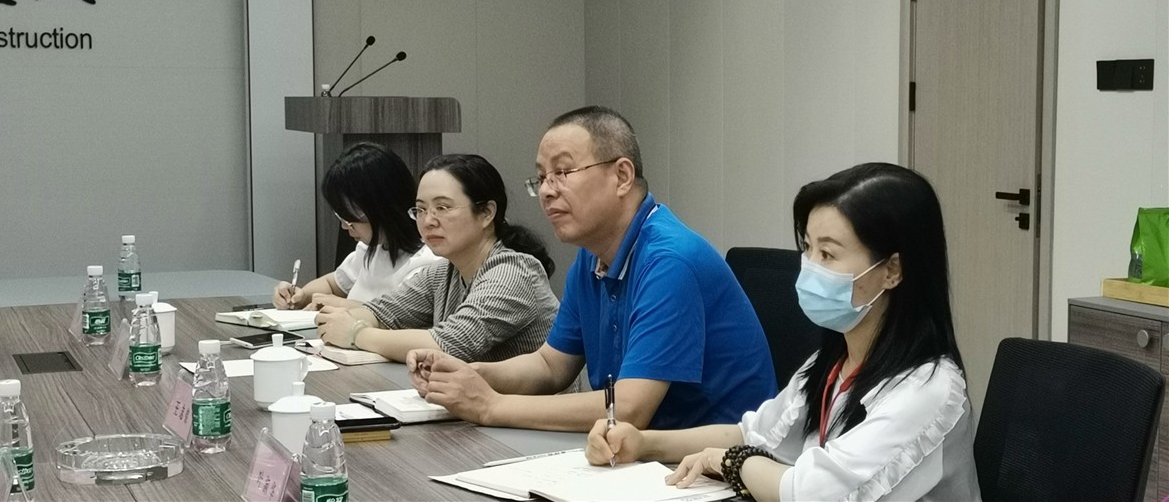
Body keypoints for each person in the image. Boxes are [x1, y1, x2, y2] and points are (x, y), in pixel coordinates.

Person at [585, 163, 979, 502]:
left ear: (891, 270)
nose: (809, 266)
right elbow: (752, 433)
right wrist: (643, 442)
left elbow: (813, 492)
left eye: (828, 254)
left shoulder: (928, 388)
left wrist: (731, 462)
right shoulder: (833, 363)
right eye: (808, 248)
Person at [407, 106, 775, 431]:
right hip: (637, 452)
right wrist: (468, 374)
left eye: (562, 172)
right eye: (541, 177)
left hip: (712, 464)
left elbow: (629, 408)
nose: (547, 191)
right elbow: (550, 366)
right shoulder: (592, 256)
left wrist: (491, 406)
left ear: (622, 176)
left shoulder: (669, 261)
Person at [315, 153, 560, 363]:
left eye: (442, 208)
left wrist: (356, 333)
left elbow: (450, 344)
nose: (428, 221)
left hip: (531, 404)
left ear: (486, 213)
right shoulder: (444, 272)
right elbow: (383, 313)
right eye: (421, 210)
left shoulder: (513, 272)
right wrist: (340, 320)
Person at [272, 142, 443, 310]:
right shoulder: (372, 249)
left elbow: (398, 316)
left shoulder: (427, 263)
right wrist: (301, 296)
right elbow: (332, 284)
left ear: (381, 207)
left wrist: (340, 304)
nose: (345, 227)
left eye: (350, 217)